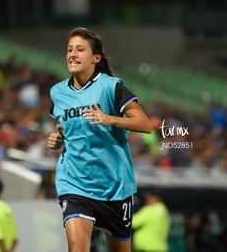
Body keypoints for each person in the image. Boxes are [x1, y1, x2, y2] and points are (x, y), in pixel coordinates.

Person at [47, 27, 152, 252]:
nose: (72, 54)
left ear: (96, 58)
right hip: (74, 183)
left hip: (114, 187)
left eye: (80, 50)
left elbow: (145, 124)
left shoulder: (111, 87)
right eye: (69, 50)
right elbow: (63, 125)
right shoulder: (57, 93)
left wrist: (110, 119)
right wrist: (58, 138)